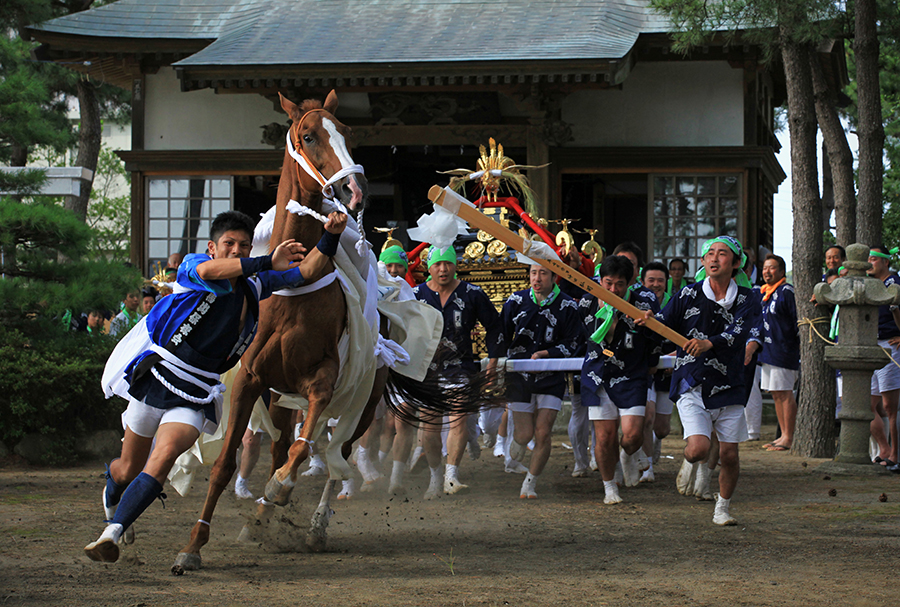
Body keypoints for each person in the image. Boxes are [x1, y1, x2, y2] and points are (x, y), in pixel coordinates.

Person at [84, 209, 347, 562]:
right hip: (158, 376)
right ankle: (113, 492)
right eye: (229, 244)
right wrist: (267, 260)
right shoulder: (195, 266)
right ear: (213, 247)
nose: (237, 250)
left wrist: (330, 235)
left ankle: (110, 533)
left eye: (243, 245)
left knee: (160, 462)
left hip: (197, 392)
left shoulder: (257, 283)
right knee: (127, 468)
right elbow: (213, 271)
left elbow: (307, 271)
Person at [651, 236, 761, 525]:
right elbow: (663, 324)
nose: (713, 258)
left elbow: (740, 333)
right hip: (693, 380)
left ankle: (722, 508)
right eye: (709, 253)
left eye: (722, 254)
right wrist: (650, 319)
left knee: (730, 454)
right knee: (699, 448)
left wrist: (708, 343)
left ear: (736, 264)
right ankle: (690, 462)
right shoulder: (687, 294)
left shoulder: (749, 298)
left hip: (731, 382)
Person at [412, 246, 502, 498]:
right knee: (429, 428)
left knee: (458, 419)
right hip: (426, 370)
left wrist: (492, 361)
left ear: (455, 265)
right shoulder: (415, 295)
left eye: (448, 263)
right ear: (428, 267)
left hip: (461, 367)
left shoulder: (472, 293)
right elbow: (402, 330)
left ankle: (451, 475)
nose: (443, 269)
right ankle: (434, 476)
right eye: (438, 264)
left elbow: (494, 327)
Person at [580, 256, 659, 503]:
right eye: (608, 283)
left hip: (631, 373)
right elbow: (580, 337)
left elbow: (658, 337)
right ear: (600, 280)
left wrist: (650, 324)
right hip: (598, 373)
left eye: (620, 284)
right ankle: (609, 487)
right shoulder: (586, 302)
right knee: (604, 437)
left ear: (630, 283)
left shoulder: (643, 304)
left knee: (633, 434)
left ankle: (628, 453)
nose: (613, 290)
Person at [500, 264, 584, 498]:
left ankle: (530, 483)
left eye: (543, 273)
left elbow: (574, 342)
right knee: (524, 433)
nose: (537, 278)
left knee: (543, 432)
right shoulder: (515, 301)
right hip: (518, 374)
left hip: (551, 375)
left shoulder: (568, 305)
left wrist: (548, 354)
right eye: (533, 272)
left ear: (554, 276)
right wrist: (496, 361)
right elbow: (502, 335)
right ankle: (514, 452)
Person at [746, 255, 799, 452]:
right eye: (765, 268)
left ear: (782, 271)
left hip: (784, 351)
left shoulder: (787, 291)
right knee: (776, 394)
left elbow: (796, 321)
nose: (767, 272)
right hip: (768, 351)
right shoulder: (764, 293)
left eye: (772, 268)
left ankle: (789, 437)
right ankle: (782, 435)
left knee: (785, 394)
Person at [867, 246, 900, 467]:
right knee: (867, 404)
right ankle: (884, 448)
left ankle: (896, 453)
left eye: (873, 259)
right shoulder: (871, 285)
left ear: (886, 262)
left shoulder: (895, 284)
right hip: (872, 344)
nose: (870, 262)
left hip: (891, 343)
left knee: (891, 405)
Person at [640, 261, 672, 481]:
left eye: (660, 280)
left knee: (661, 429)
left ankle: (656, 441)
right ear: (643, 282)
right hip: (646, 370)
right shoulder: (637, 304)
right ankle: (647, 467)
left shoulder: (676, 303)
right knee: (647, 418)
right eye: (651, 280)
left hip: (668, 371)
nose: (655, 284)